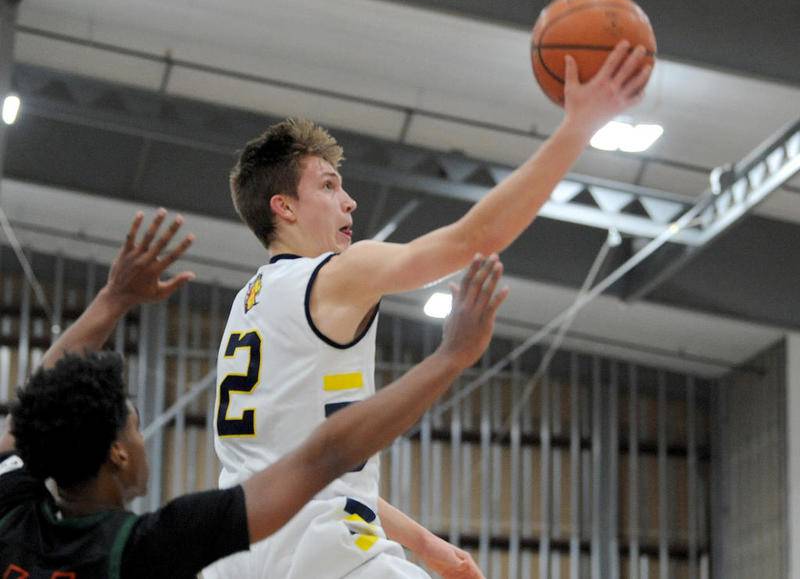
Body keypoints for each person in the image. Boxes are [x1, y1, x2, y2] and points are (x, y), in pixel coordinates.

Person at [206, 42, 651, 578]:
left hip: (234, 558)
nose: (349, 201)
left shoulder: (245, 305)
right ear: (284, 208)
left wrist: (425, 543)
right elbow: (475, 238)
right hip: (325, 556)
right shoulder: (337, 274)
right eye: (328, 186)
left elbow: (318, 466)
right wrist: (578, 128)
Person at [0, 211, 507, 579]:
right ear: (117, 452)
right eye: (134, 424)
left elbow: (31, 410)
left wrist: (113, 298)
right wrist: (451, 357)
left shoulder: (10, 509)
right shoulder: (142, 550)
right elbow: (321, 457)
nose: (141, 436)